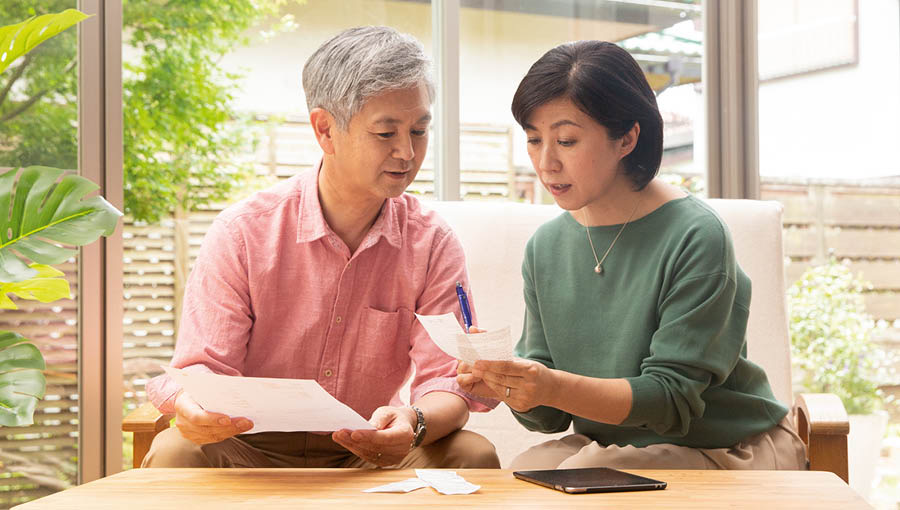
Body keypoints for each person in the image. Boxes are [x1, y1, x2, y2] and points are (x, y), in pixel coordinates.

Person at [143, 26, 500, 470]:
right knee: (176, 452)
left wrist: (413, 422)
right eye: (385, 133)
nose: (407, 152)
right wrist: (194, 408)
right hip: (248, 447)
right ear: (325, 130)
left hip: (369, 452)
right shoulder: (243, 233)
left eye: (419, 130)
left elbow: (446, 381)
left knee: (472, 454)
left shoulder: (432, 243)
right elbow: (202, 368)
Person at [457, 41, 807, 471]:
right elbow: (548, 418)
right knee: (521, 476)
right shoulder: (546, 247)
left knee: (571, 478)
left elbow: (670, 400)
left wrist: (550, 386)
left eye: (566, 140)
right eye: (533, 140)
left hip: (721, 447)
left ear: (627, 138)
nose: (546, 163)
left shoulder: (696, 235)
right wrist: (511, 385)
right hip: (613, 447)